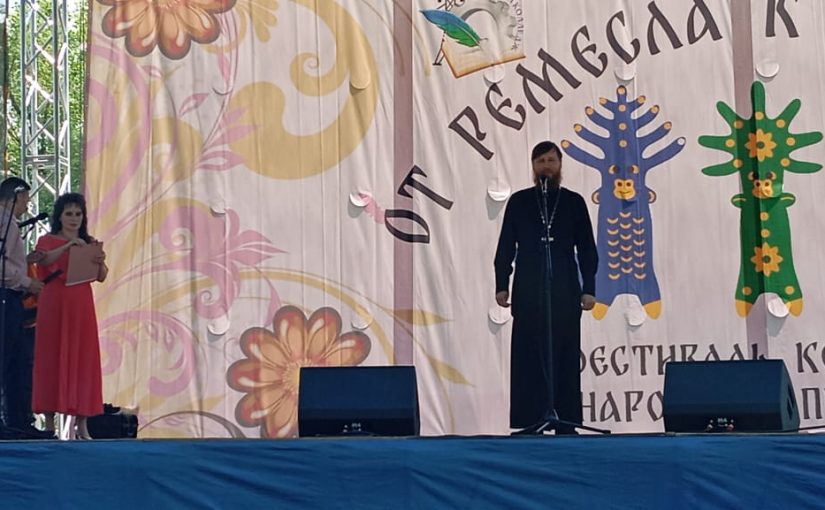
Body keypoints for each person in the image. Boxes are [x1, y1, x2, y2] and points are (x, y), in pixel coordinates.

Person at [494, 141, 598, 434]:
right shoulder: (519, 202)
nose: (546, 167)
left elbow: (587, 249)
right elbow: (505, 246)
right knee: (528, 354)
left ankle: (566, 420)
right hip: (528, 289)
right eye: (540, 161)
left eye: (551, 160)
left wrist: (589, 287)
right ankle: (531, 419)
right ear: (533, 166)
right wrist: (502, 284)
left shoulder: (574, 202)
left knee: (564, 354)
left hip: (564, 288)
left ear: (560, 165)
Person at [32, 193, 107, 439]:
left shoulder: (89, 242)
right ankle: (49, 422)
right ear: (60, 216)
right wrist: (67, 246)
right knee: (51, 355)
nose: (74, 218)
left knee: (83, 358)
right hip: (54, 301)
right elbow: (44, 261)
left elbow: (101, 276)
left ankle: (81, 422)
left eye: (78, 214)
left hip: (81, 303)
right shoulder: (47, 240)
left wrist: (100, 261)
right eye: (69, 214)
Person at [0, 177, 44, 438]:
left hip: (11, 296)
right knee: (8, 359)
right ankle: (15, 420)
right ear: (16, 196)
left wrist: (25, 261)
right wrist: (28, 282)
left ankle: (18, 421)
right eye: (26, 198)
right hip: (6, 296)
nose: (28, 205)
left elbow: (7, 262)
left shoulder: (9, 224)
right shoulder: (4, 221)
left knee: (16, 359)